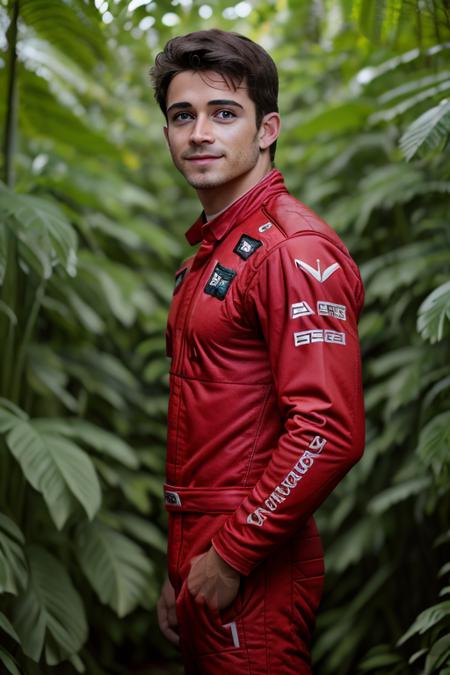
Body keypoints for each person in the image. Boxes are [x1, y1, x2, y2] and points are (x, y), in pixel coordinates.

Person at [151, 28, 365, 675]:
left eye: (224, 113)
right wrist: (180, 564)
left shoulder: (293, 251)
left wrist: (232, 554)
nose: (198, 133)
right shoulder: (210, 254)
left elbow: (327, 430)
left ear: (267, 128)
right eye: (181, 115)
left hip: (255, 562)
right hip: (205, 550)